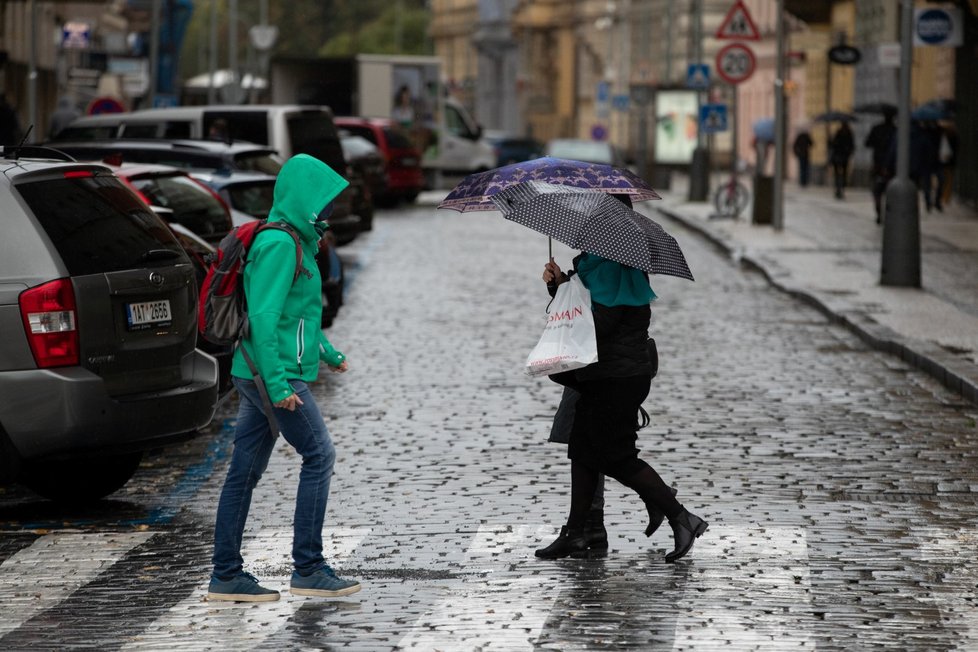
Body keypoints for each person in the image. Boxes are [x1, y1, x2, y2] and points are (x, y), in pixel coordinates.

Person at [208, 154, 361, 602]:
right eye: (323, 200)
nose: (329, 210)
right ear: (303, 198)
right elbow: (263, 318)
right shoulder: (280, 245)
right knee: (319, 456)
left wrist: (328, 353)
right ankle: (308, 568)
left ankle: (226, 576)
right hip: (270, 375)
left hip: (261, 373)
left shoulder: (299, 240)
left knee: (243, 473)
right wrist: (278, 386)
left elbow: (298, 319)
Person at [535, 251, 707, 563]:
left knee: (617, 457)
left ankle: (680, 517)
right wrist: (560, 286)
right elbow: (585, 311)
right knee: (583, 450)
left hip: (617, 378)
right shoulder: (599, 265)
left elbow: (597, 324)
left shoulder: (613, 269)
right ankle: (576, 533)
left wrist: (565, 299)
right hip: (605, 376)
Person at [865, 111, 897, 223]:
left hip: (877, 164)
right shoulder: (895, 130)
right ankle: (888, 212)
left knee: (877, 190)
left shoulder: (876, 129)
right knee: (890, 190)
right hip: (892, 165)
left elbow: (867, 143)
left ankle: (879, 212)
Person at [829, 122, 855, 199]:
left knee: (840, 174)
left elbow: (833, 145)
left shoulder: (843, 133)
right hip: (841, 157)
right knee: (840, 174)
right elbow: (851, 146)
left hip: (841, 157)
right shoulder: (845, 133)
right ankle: (839, 189)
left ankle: (840, 189)